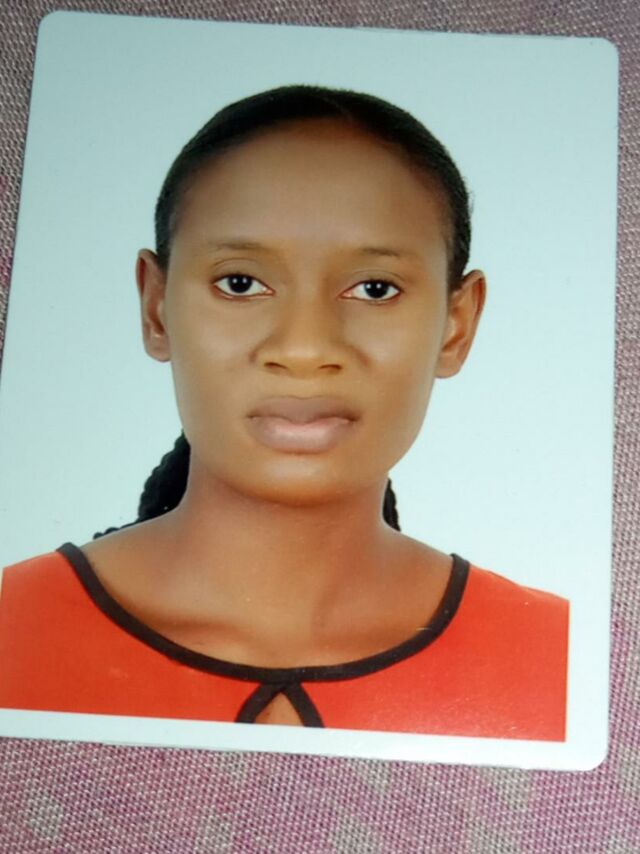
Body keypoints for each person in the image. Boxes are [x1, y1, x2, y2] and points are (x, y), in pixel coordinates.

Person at [0, 85, 568, 740]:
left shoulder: (566, 664)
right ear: (156, 308)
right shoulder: (12, 626)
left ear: (456, 325)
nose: (303, 348)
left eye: (375, 289)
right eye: (240, 283)